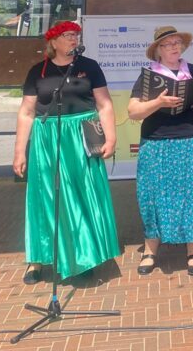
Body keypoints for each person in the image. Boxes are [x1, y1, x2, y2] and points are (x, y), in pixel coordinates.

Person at [13, 21, 120, 285]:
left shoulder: (90, 66)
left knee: (82, 196)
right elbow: (26, 112)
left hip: (81, 135)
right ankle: (38, 258)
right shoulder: (38, 71)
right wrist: (19, 152)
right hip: (48, 138)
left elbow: (104, 104)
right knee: (45, 197)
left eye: (76, 35)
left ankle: (83, 258)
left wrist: (111, 137)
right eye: (67, 35)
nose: (73, 39)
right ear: (53, 41)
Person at [129, 25, 193, 277]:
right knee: (154, 197)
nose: (175, 47)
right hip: (157, 144)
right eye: (168, 44)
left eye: (177, 43)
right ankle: (150, 251)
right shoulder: (149, 76)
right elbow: (133, 112)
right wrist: (158, 102)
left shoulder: (192, 70)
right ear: (158, 50)